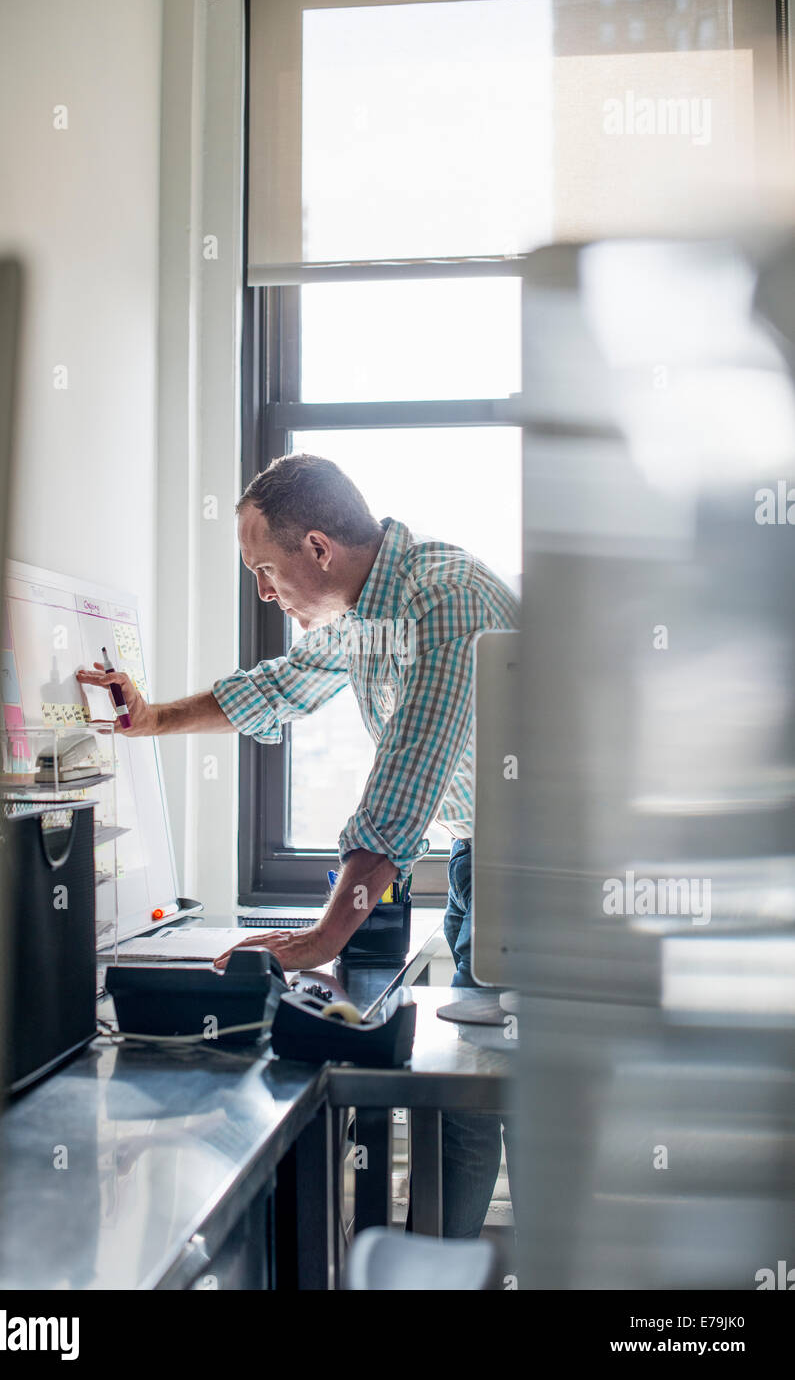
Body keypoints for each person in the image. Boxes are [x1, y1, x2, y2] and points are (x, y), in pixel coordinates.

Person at [78, 452, 518, 1236]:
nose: (262, 589)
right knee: (470, 1107)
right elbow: (277, 688)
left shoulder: (442, 600)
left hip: (544, 871)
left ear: (317, 548)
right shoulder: (368, 613)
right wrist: (150, 720)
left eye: (263, 567)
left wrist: (321, 939)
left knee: (537, 1106)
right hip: (480, 862)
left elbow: (400, 794)